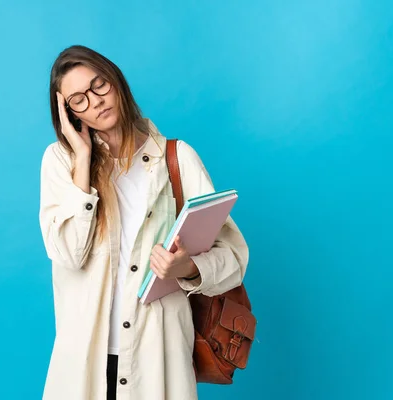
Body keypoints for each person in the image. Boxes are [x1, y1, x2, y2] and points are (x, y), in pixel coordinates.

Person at [39, 45, 249, 400]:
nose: (94, 102)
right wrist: (82, 161)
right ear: (67, 112)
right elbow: (69, 255)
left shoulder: (176, 159)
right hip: (84, 364)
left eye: (98, 85)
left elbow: (234, 258)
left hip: (156, 360)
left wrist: (189, 268)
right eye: (78, 100)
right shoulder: (60, 162)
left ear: (115, 81)